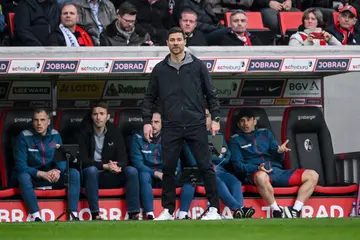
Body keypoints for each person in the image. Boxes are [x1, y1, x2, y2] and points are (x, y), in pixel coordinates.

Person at [142, 27, 221, 220]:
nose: (175, 43)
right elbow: (149, 98)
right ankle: (168, 210)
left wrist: (216, 119)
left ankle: (214, 209)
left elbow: (211, 94)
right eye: (172, 40)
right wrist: (146, 121)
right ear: (167, 43)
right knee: (168, 167)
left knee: (206, 166)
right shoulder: (160, 69)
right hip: (171, 125)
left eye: (179, 39)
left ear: (185, 41)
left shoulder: (198, 66)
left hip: (196, 124)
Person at [229, 109, 319, 218]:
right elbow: (238, 166)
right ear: (238, 125)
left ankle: (295, 210)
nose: (246, 124)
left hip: (277, 172)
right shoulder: (235, 140)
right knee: (261, 176)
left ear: (254, 121)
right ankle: (277, 211)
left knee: (313, 175)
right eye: (242, 121)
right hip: (256, 173)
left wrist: (280, 151)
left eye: (248, 120)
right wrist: (257, 167)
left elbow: (278, 156)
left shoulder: (265, 133)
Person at [184, 108, 255, 219]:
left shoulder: (216, 135)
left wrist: (214, 156)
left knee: (236, 183)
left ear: (211, 119)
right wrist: (215, 155)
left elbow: (227, 157)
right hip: (201, 172)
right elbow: (193, 161)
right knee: (219, 183)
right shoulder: (191, 136)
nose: (204, 119)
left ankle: (239, 213)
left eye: (207, 116)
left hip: (219, 169)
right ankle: (239, 208)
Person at [14, 109, 80, 222]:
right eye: (36, 120)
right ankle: (36, 216)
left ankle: (73, 215)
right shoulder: (24, 136)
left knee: (74, 173)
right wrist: (40, 173)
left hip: (52, 176)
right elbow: (20, 165)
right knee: (23, 176)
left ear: (48, 121)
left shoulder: (55, 135)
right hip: (35, 177)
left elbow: (62, 159)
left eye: (42, 120)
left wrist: (58, 170)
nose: (39, 123)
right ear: (32, 122)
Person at [77, 101, 140, 220]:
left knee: (132, 171)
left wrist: (118, 166)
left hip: (111, 174)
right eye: (95, 114)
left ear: (108, 116)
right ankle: (95, 214)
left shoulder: (115, 132)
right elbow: (83, 160)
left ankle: (133, 213)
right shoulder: (83, 133)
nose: (98, 117)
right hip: (93, 176)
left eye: (101, 113)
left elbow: (123, 158)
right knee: (91, 170)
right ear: (91, 116)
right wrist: (104, 166)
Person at [131, 109, 196, 220]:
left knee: (191, 176)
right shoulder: (137, 137)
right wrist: (155, 173)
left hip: (167, 174)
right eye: (151, 122)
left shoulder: (170, 137)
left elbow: (177, 160)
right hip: (150, 174)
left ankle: (183, 214)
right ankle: (150, 214)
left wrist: (174, 171)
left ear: (162, 123)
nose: (153, 125)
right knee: (143, 175)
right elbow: (137, 163)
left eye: (157, 122)